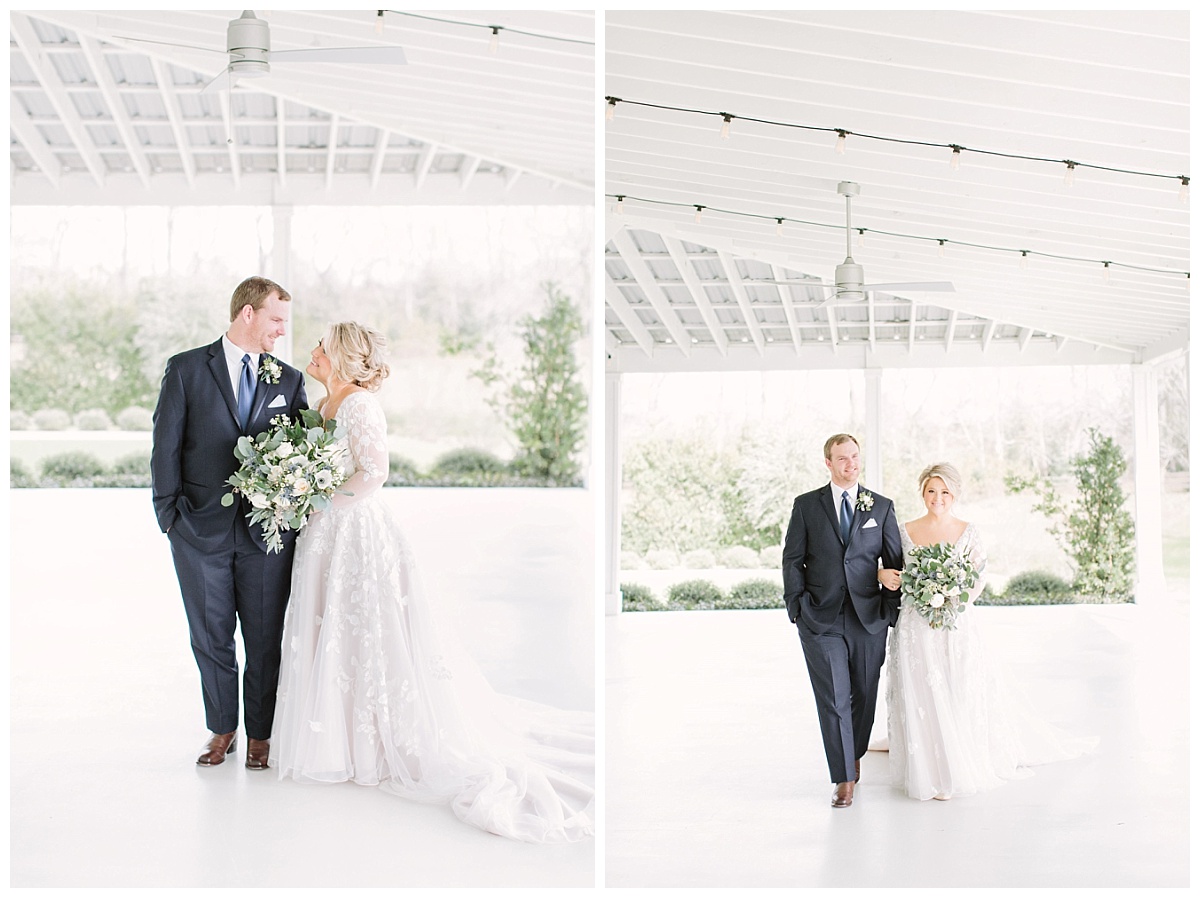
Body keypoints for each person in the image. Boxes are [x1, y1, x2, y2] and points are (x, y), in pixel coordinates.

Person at [271, 322, 594, 843]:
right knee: (329, 628)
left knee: (365, 634)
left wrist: (321, 499)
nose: (312, 351)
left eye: (321, 346)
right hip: (324, 533)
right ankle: (336, 739)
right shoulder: (323, 405)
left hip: (353, 532)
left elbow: (374, 472)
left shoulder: (358, 406)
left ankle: (373, 744)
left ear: (341, 356)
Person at [151, 276, 309, 769]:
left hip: (268, 536)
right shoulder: (186, 369)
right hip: (197, 531)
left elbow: (302, 455)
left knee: (264, 637)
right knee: (210, 634)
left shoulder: (288, 380)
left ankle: (260, 735)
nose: (282, 330)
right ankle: (222, 729)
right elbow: (165, 447)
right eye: (276, 319)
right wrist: (170, 517)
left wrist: (289, 515)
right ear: (248, 314)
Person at [878, 462, 1096, 801]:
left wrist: (951, 599)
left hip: (955, 620)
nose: (938, 498)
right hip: (915, 623)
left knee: (956, 686)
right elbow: (893, 567)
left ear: (955, 494)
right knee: (921, 689)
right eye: (932, 490)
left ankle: (956, 763)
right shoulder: (904, 529)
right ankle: (928, 769)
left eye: (945, 492)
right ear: (922, 491)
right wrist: (883, 575)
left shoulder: (968, 530)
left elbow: (977, 576)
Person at [782, 434, 903, 808]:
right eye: (842, 458)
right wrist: (797, 608)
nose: (851, 464)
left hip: (868, 618)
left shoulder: (880, 507)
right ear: (828, 463)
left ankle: (854, 752)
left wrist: (889, 609)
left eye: (855, 457)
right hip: (820, 617)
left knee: (863, 695)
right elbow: (792, 559)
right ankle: (843, 776)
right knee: (834, 698)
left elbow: (894, 561)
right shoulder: (806, 506)